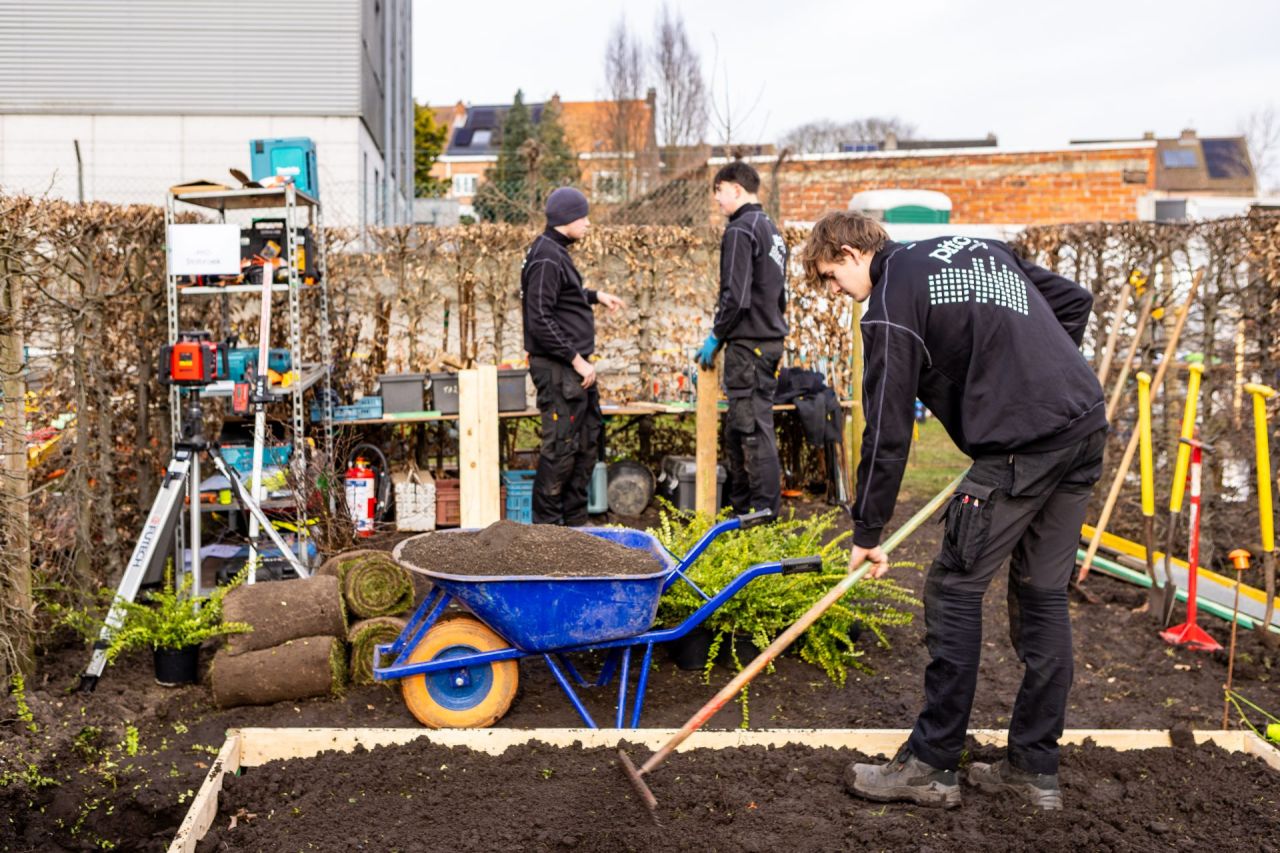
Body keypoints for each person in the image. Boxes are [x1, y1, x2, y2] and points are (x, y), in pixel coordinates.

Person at [800, 212, 1107, 811]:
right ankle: (1033, 771)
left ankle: (932, 766)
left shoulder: (888, 305)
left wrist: (867, 530)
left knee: (953, 591)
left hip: (1021, 448)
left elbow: (887, 431)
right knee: (1042, 595)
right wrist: (1023, 379)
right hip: (1082, 428)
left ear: (849, 252)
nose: (836, 292)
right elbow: (1074, 301)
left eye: (831, 276)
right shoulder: (977, 248)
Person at [520, 187, 624, 525]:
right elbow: (539, 318)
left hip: (573, 371)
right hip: (560, 369)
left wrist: (595, 295)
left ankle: (577, 526)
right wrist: (576, 359)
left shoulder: (555, 252)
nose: (588, 223)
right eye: (583, 216)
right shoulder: (547, 256)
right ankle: (548, 534)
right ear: (567, 219)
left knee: (585, 443)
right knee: (561, 450)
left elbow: (563, 295)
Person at [696, 161, 789, 517]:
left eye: (718, 192)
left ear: (735, 188)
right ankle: (743, 512)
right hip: (767, 342)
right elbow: (780, 296)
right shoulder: (771, 230)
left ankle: (761, 517)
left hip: (748, 346)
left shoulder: (740, 229)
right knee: (742, 428)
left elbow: (735, 297)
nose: (717, 201)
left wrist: (715, 337)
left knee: (751, 432)